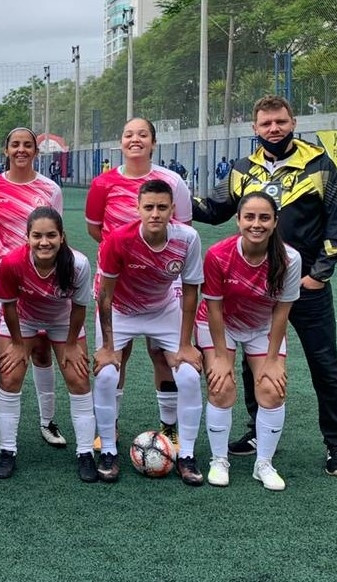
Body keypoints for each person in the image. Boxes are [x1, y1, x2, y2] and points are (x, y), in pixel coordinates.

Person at [193, 95, 337, 477]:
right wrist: (173, 200)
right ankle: (256, 431)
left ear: (293, 122)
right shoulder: (242, 169)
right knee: (255, 363)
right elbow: (216, 209)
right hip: (260, 289)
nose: (274, 129)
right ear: (255, 128)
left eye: (280, 122)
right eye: (266, 124)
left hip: (306, 284)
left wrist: (318, 274)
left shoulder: (317, 164)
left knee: (325, 364)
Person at [85, 117, 193, 451]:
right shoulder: (104, 183)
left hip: (162, 286)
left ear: (153, 142)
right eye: (129, 134)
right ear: (120, 142)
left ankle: (169, 430)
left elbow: (183, 231)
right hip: (116, 286)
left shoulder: (171, 181)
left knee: (163, 356)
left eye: (142, 134)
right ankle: (110, 427)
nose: (136, 140)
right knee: (117, 355)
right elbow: (95, 230)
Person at [94, 179, 205, 486]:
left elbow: (192, 290)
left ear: (173, 209)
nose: (155, 213)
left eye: (162, 207)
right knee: (105, 374)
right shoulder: (119, 240)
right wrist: (107, 346)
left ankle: (187, 455)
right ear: (138, 209)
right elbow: (105, 296)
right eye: (149, 207)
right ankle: (109, 449)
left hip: (164, 308)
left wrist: (185, 344)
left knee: (189, 376)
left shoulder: (188, 238)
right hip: (121, 309)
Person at [198, 192, 302, 491]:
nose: (256, 224)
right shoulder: (218, 254)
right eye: (250, 217)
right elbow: (214, 308)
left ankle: (264, 464)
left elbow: (282, 311)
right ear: (238, 220)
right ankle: (219, 460)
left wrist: (272, 360)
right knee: (221, 386)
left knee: (272, 389)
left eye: (264, 218)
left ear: (275, 222)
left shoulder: (289, 258)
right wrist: (220, 356)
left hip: (261, 327)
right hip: (221, 325)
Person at [0, 127, 65, 450]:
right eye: (15, 144)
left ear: (35, 151)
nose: (21, 150)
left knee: (42, 348)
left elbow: (54, 234)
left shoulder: (50, 189)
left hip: (41, 277)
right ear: (6, 149)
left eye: (27, 145)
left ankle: (47, 421)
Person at [0, 207, 95, 481]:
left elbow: (78, 308)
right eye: (37, 236)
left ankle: (86, 453)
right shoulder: (12, 263)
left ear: (62, 237)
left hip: (63, 321)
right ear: (27, 237)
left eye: (51, 235)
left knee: (78, 378)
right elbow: (9, 306)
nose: (44, 242)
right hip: (24, 319)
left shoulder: (78, 264)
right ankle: (7, 451)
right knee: (11, 375)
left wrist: (73, 343)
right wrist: (17, 343)